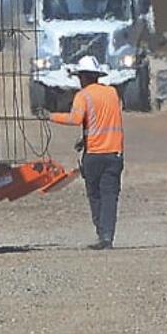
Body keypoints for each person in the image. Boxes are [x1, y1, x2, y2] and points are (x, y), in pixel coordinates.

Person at [51, 55, 124, 250]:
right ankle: (108, 237)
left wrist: (51, 116)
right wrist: (84, 138)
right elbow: (106, 121)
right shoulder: (112, 93)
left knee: (95, 195)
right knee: (110, 196)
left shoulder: (83, 96)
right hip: (114, 153)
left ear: (82, 77)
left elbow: (75, 119)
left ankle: (101, 233)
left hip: (94, 155)